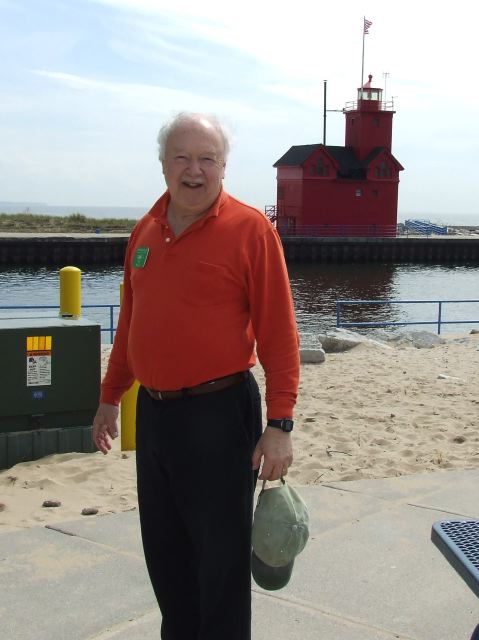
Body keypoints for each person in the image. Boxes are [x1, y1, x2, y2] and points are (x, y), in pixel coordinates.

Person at [92, 112, 300, 640]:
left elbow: (280, 334)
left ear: (224, 167)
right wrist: (111, 395)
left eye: (207, 158)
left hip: (219, 413)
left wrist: (281, 424)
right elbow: (132, 324)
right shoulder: (145, 229)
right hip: (155, 416)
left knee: (221, 568)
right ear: (163, 164)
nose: (194, 169)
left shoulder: (252, 230)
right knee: (166, 557)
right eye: (182, 157)